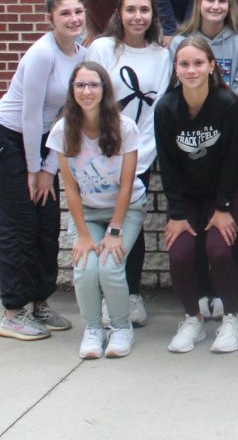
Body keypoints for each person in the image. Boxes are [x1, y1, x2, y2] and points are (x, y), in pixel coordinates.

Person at [0, 0, 87, 341]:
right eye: (65, 14)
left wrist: (48, 169)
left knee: (45, 225)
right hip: (6, 139)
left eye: (78, 11)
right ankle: (12, 312)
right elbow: (28, 116)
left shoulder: (81, 55)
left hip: (43, 142)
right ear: (50, 19)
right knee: (20, 225)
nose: (73, 19)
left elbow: (68, 117)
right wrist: (32, 169)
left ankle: (39, 304)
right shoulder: (42, 54)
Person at [170, 0, 238, 319]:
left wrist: (228, 142)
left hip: (231, 150)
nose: (216, 7)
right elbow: (173, 98)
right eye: (210, 0)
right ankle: (203, 291)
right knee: (197, 225)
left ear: (230, 5)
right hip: (190, 151)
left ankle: (226, 294)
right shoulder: (180, 42)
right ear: (199, 4)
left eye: (222, 1)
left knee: (223, 229)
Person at [86, 0, 173, 327]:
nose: (138, 17)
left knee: (127, 230)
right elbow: (88, 95)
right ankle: (107, 298)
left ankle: (131, 294)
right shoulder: (103, 48)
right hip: (98, 154)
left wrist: (140, 154)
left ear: (153, 16)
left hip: (139, 155)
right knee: (103, 224)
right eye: (131, 10)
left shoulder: (161, 55)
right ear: (119, 14)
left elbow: (157, 110)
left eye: (144, 10)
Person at [154, 36, 238, 354]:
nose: (191, 69)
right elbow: (167, 165)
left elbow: (231, 159)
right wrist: (177, 214)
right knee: (179, 253)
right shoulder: (166, 108)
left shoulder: (226, 103)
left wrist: (222, 208)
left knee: (218, 250)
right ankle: (193, 319)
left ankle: (232, 319)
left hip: (222, 192)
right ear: (176, 69)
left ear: (211, 66)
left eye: (198, 63)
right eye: (184, 64)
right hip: (187, 197)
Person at [47, 62, 145, 359]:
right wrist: (83, 235)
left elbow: (127, 185)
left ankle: (120, 327)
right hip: (87, 212)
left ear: (104, 90)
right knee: (85, 267)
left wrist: (114, 232)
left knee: (110, 264)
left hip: (124, 210)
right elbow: (71, 188)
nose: (87, 91)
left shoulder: (124, 127)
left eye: (93, 85)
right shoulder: (63, 130)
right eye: (80, 85)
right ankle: (93, 328)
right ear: (72, 91)